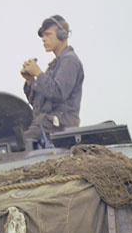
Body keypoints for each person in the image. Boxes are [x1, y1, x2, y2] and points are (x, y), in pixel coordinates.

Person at [20, 15, 84, 144]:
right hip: (48, 122)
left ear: (62, 35)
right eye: (43, 36)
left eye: (48, 35)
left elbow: (58, 93)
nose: (44, 39)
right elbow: (39, 103)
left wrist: (38, 73)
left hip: (60, 123)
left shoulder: (69, 61)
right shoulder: (55, 65)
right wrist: (30, 81)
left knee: (19, 142)